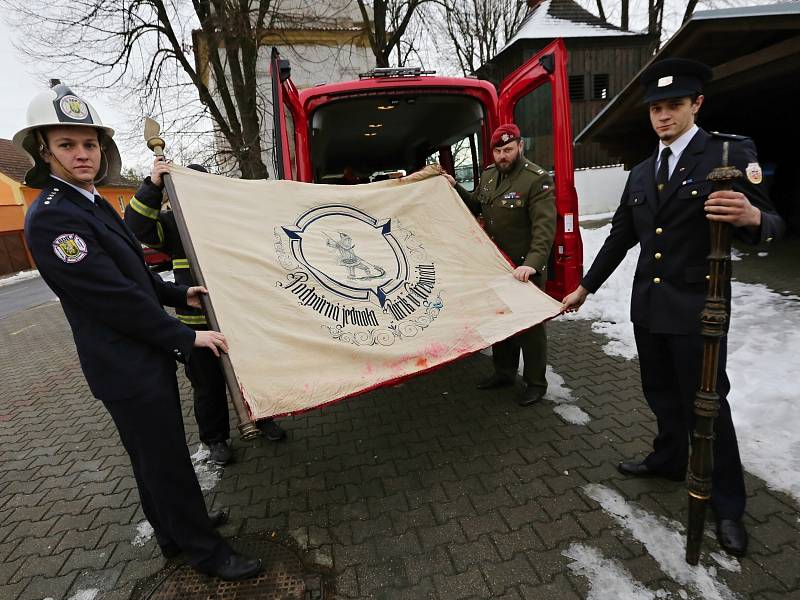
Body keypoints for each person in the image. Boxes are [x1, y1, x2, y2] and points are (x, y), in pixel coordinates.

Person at [19, 82, 262, 580]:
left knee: (157, 455)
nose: (82, 154)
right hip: (124, 365)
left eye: (89, 144)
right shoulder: (52, 218)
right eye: (67, 145)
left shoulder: (89, 202)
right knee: (165, 458)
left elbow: (134, 270)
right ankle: (207, 552)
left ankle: (174, 531)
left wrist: (180, 295)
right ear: (44, 152)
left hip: (139, 358)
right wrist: (183, 335)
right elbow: (113, 297)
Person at [561, 59, 786, 557]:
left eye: (674, 106)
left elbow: (772, 221)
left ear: (696, 105)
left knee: (708, 409)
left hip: (699, 311)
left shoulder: (726, 153)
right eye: (656, 108)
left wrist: (751, 216)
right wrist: (586, 288)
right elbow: (621, 236)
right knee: (660, 393)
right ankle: (668, 459)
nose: (663, 116)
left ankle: (728, 505)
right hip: (649, 308)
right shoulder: (642, 172)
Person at [125, 159, 286, 464]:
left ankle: (263, 417)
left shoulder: (225, 222)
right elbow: (137, 225)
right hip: (197, 326)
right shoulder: (172, 225)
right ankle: (215, 439)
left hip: (238, 318)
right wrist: (152, 186)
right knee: (207, 387)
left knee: (253, 374)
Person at [444, 123, 556, 406]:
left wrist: (532, 264)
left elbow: (544, 228)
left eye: (508, 149)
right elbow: (477, 206)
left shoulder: (536, 179)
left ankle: (535, 383)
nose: (503, 155)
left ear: (520, 146)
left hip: (523, 269)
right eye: (498, 151)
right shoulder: (490, 176)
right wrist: (455, 187)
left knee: (531, 331)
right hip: (497, 267)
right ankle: (504, 372)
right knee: (501, 323)